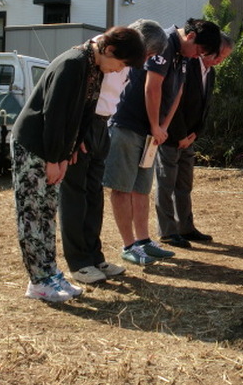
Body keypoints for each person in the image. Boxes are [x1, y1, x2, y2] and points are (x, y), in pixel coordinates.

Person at [12, 27, 146, 302]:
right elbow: (55, 114)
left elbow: (85, 112)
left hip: (54, 148)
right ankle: (38, 281)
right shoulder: (73, 64)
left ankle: (50, 274)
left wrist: (70, 150)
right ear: (108, 50)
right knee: (33, 213)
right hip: (34, 144)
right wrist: (54, 159)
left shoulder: (94, 66)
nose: (118, 71)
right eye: (120, 64)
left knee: (47, 212)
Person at [103, 18, 221, 266]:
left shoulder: (185, 55)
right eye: (199, 50)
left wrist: (164, 125)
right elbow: (152, 86)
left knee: (142, 188)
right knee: (122, 187)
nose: (198, 56)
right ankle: (129, 245)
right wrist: (157, 125)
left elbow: (177, 91)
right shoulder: (164, 43)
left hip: (151, 132)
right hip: (129, 124)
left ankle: (144, 241)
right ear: (190, 38)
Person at [58, 20, 168, 285]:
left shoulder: (122, 60)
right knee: (76, 194)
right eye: (147, 54)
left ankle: (94, 256)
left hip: (102, 124)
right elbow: (81, 96)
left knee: (94, 194)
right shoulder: (96, 54)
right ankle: (79, 262)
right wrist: (78, 133)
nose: (146, 60)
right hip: (84, 124)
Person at [154, 33, 234, 247]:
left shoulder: (212, 73)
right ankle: (168, 232)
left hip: (190, 138)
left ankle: (186, 228)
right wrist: (180, 134)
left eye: (224, 57)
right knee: (165, 184)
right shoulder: (186, 64)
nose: (220, 60)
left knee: (184, 184)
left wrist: (195, 134)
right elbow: (173, 102)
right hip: (170, 136)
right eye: (220, 55)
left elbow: (206, 107)